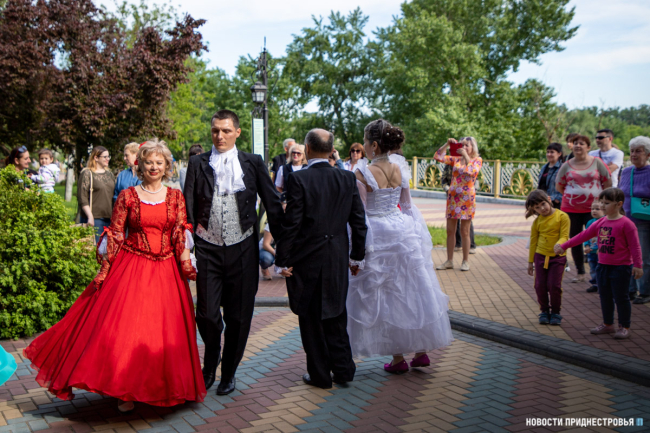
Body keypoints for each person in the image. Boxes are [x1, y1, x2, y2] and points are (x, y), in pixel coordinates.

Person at [24, 139, 205, 412]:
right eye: (149, 162)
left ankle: (167, 388)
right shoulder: (128, 196)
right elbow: (117, 234)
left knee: (164, 333)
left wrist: (187, 266)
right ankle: (125, 391)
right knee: (130, 330)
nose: (154, 167)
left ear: (167, 166)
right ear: (140, 165)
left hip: (167, 271)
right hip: (133, 268)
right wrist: (105, 271)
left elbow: (180, 234)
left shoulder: (175, 197)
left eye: (159, 162)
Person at [183, 110, 284, 396]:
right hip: (207, 248)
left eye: (226, 130)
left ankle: (228, 372)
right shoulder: (197, 163)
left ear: (237, 132)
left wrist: (284, 248)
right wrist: (187, 246)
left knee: (239, 317)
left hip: (243, 249)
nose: (220, 136)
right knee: (206, 314)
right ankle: (210, 361)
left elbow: (272, 202)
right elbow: (188, 206)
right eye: (215, 130)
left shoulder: (253, 162)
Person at [346, 119, 453, 373]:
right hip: (403, 230)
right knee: (412, 290)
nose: (364, 147)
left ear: (374, 145)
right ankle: (421, 352)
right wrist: (414, 235)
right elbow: (407, 206)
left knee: (386, 295)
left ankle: (398, 359)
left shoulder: (361, 173)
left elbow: (361, 215)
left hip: (377, 234)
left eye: (365, 141)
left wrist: (355, 250)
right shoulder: (400, 168)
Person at [275, 128, 367, 389]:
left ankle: (320, 375)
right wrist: (356, 257)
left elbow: (292, 224)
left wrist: (282, 259)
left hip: (308, 258)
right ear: (331, 150)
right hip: (337, 256)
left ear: (307, 148)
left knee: (311, 316)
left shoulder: (299, 179)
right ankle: (344, 370)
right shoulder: (347, 178)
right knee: (337, 313)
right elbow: (359, 222)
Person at [555, 188, 642, 340]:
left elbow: (635, 246)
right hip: (602, 266)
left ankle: (624, 326)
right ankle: (608, 324)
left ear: (619, 204)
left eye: (606, 203)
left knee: (621, 298)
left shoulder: (627, 224)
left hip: (621, 267)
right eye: (601, 202)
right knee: (605, 296)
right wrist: (564, 246)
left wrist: (638, 265)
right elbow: (583, 236)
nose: (602, 206)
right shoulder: (601, 222)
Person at [555, 134, 612, 283]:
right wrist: (574, 195)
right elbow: (559, 185)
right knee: (575, 240)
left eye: (581, 143)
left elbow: (607, 182)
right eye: (575, 143)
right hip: (571, 209)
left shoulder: (597, 162)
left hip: (595, 209)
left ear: (588, 147)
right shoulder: (566, 165)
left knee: (598, 239)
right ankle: (580, 272)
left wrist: (601, 201)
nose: (578, 146)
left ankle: (599, 273)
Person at [434, 137, 483, 271]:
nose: (464, 148)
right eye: (463, 145)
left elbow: (471, 171)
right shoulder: (455, 159)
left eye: (467, 145)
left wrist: (466, 156)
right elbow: (438, 156)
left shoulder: (477, 160)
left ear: (473, 147)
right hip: (453, 198)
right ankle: (449, 261)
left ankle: (465, 261)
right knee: (450, 230)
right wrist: (447, 144)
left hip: (467, 199)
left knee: (465, 231)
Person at [525, 190, 570, 325]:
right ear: (534, 210)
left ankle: (555, 313)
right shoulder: (537, 222)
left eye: (543, 204)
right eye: (537, 207)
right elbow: (533, 242)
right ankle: (544, 311)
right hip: (540, 256)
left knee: (554, 285)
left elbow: (565, 236)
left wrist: (559, 244)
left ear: (549, 200)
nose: (542, 209)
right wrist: (530, 262)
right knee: (539, 285)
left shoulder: (562, 217)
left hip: (557, 257)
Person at [619, 136, 650, 304]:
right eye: (632, 151)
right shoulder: (626, 171)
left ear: (648, 154)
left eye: (638, 151)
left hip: (643, 221)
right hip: (625, 221)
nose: (634, 154)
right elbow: (619, 192)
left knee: (643, 258)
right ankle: (630, 289)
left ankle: (644, 292)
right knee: (627, 257)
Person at [78, 146, 116, 243]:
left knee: (107, 249)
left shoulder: (110, 174)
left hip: (109, 218)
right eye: (105, 157)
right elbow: (82, 197)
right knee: (94, 248)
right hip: (94, 218)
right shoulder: (87, 173)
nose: (108, 159)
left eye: (108, 156)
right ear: (96, 158)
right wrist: (90, 216)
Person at [260, 196, 287, 280]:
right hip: (267, 249)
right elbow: (265, 245)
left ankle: (283, 269)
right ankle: (264, 268)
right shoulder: (274, 222)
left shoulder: (293, 223)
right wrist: (278, 255)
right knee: (267, 259)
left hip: (281, 249)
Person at [584, 201, 604, 293]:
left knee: (601, 269)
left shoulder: (605, 222)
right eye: (592, 209)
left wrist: (601, 248)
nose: (594, 211)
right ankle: (595, 284)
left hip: (601, 252)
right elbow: (585, 236)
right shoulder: (590, 222)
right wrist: (586, 245)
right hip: (591, 251)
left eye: (597, 209)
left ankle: (602, 285)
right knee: (593, 268)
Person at [538, 142, 564, 209]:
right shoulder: (544, 167)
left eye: (552, 152)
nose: (549, 154)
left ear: (559, 154)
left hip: (555, 203)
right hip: (542, 201)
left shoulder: (562, 167)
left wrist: (558, 199)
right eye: (548, 152)